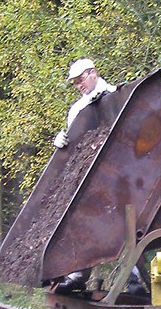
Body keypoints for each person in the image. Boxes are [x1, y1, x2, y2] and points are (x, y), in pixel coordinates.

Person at [52, 58, 146, 296]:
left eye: (81, 79)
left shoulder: (118, 96)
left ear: (93, 73)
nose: (79, 86)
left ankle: (135, 278)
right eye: (74, 83)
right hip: (92, 177)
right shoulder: (76, 110)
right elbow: (75, 147)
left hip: (122, 174)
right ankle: (78, 274)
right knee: (85, 221)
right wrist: (61, 142)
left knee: (129, 222)